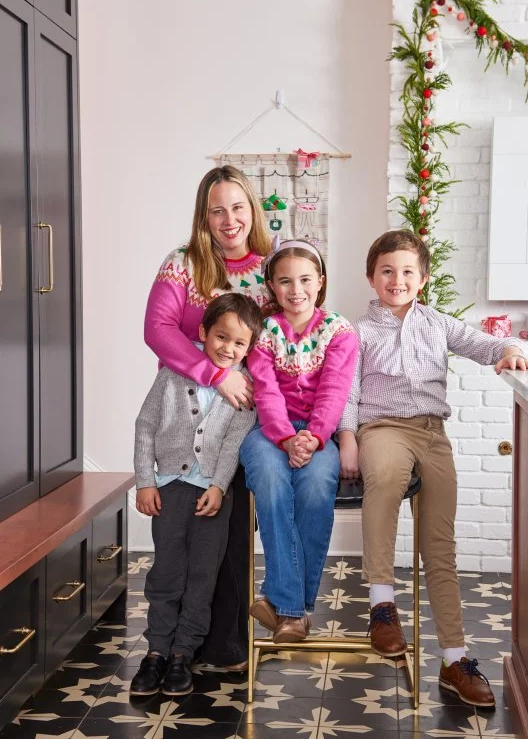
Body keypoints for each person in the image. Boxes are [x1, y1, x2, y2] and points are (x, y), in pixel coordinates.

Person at [337, 229, 528, 709]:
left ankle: (454, 658)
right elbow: (346, 389)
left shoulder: (439, 325)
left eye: (408, 271)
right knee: (384, 479)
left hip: (431, 432)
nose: (397, 279)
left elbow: (494, 343)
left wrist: (513, 351)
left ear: (423, 279)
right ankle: (382, 607)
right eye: (387, 270)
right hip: (381, 428)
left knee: (440, 545)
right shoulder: (357, 332)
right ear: (371, 277)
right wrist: (348, 436)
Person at [144, 165, 272, 670]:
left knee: (230, 530)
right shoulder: (182, 263)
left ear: (252, 209)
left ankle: (222, 645)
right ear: (204, 215)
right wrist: (215, 375)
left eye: (237, 207)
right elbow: (157, 329)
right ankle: (171, 645)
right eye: (217, 209)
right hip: (185, 413)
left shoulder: (271, 266)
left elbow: (278, 337)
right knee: (178, 543)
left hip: (242, 418)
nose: (228, 219)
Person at [130, 293, 264, 697]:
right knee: (166, 573)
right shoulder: (172, 374)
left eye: (239, 344)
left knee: (203, 577)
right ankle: (155, 651)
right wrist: (145, 481)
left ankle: (182, 655)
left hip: (211, 497)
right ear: (204, 332)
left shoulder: (245, 390)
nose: (228, 349)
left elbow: (233, 445)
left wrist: (220, 487)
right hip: (168, 490)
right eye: (221, 337)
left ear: (249, 348)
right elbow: (145, 426)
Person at [240, 239, 359, 643]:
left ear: (320, 282)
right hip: (270, 431)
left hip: (317, 431)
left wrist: (312, 438)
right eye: (285, 281)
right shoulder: (263, 330)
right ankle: (296, 609)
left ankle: (281, 603)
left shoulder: (339, 331)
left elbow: (335, 390)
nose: (296, 290)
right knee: (271, 485)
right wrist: (286, 438)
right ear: (272, 286)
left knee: (315, 489)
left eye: (305, 280)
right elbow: (265, 390)